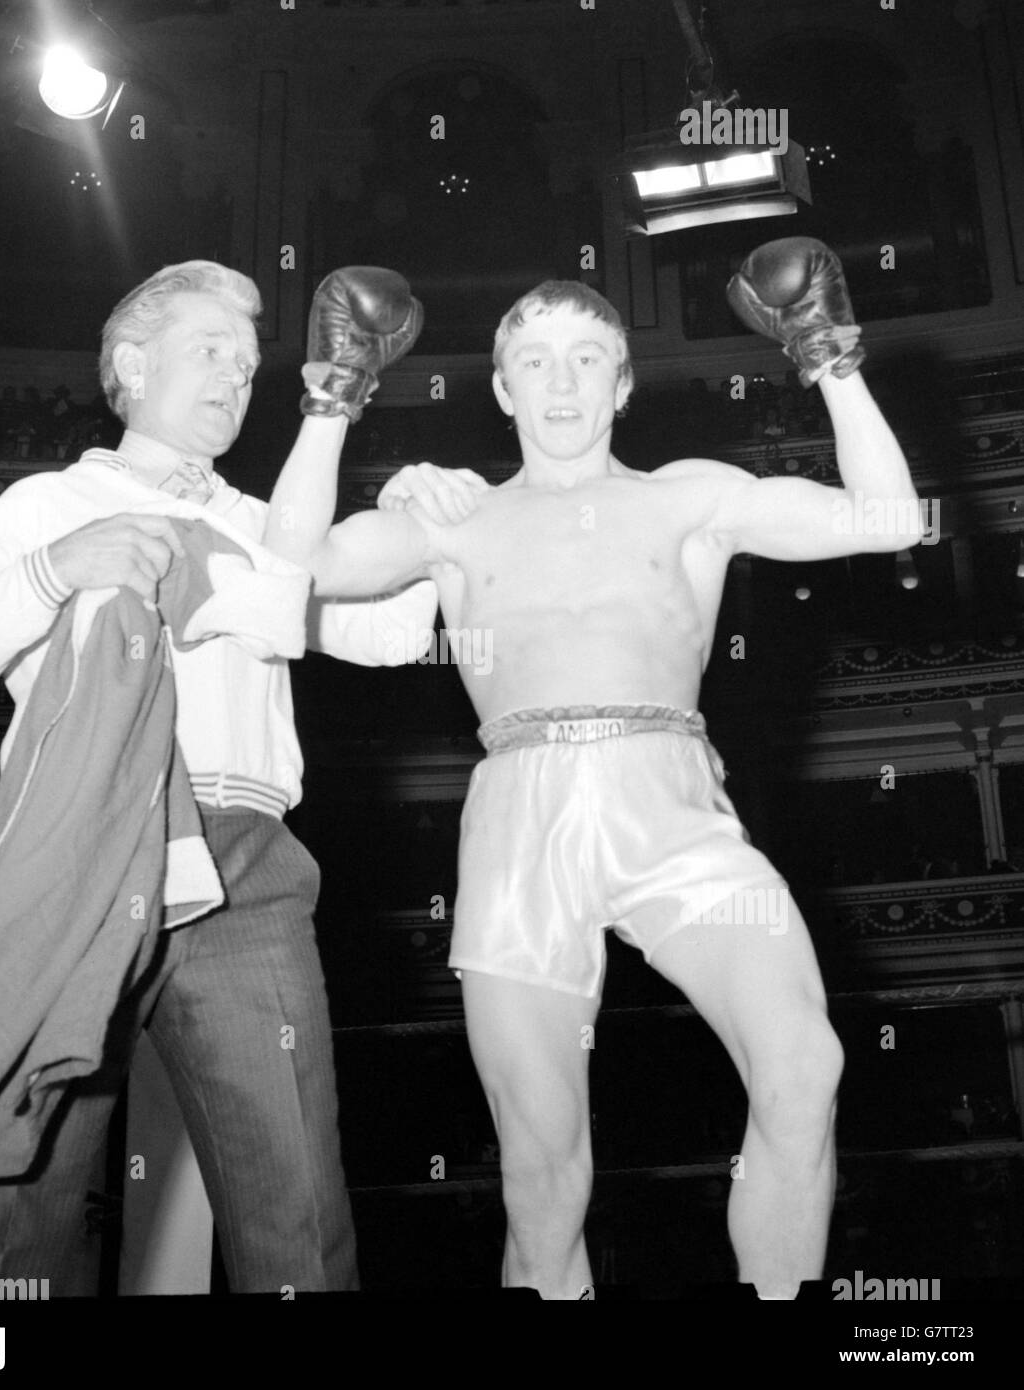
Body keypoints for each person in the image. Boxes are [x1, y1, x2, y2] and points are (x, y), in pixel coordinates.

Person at [270, 239, 923, 1298]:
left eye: (586, 359)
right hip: (521, 812)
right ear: (500, 388)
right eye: (536, 361)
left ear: (622, 385)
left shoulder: (689, 496)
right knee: (540, 1174)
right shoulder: (454, 514)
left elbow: (890, 520)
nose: (561, 381)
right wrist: (334, 398)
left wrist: (828, 355)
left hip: (671, 798)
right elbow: (289, 570)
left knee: (806, 1065)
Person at [0, 260, 438, 1294]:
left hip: (249, 869)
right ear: (132, 366)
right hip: (92, 849)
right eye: (210, 350)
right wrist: (59, 565)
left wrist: (425, 519)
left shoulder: (273, 523)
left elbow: (394, 634)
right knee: (21, 1188)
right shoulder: (52, 501)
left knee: (298, 1202)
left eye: (248, 359)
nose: (237, 374)